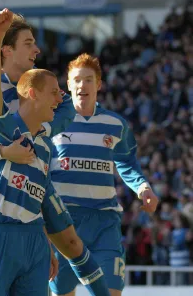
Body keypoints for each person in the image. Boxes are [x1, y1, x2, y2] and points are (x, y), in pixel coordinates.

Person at [0, 9, 110, 296]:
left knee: (72, 244)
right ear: (6, 50)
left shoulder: (33, 85)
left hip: (35, 171)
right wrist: (3, 151)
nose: (37, 49)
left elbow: (64, 109)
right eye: (29, 43)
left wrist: (42, 133)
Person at [48, 53, 159, 296]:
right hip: (64, 223)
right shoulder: (51, 120)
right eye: (76, 79)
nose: (82, 85)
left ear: (99, 84)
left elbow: (126, 160)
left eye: (88, 80)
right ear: (67, 84)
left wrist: (143, 187)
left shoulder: (115, 124)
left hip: (104, 222)